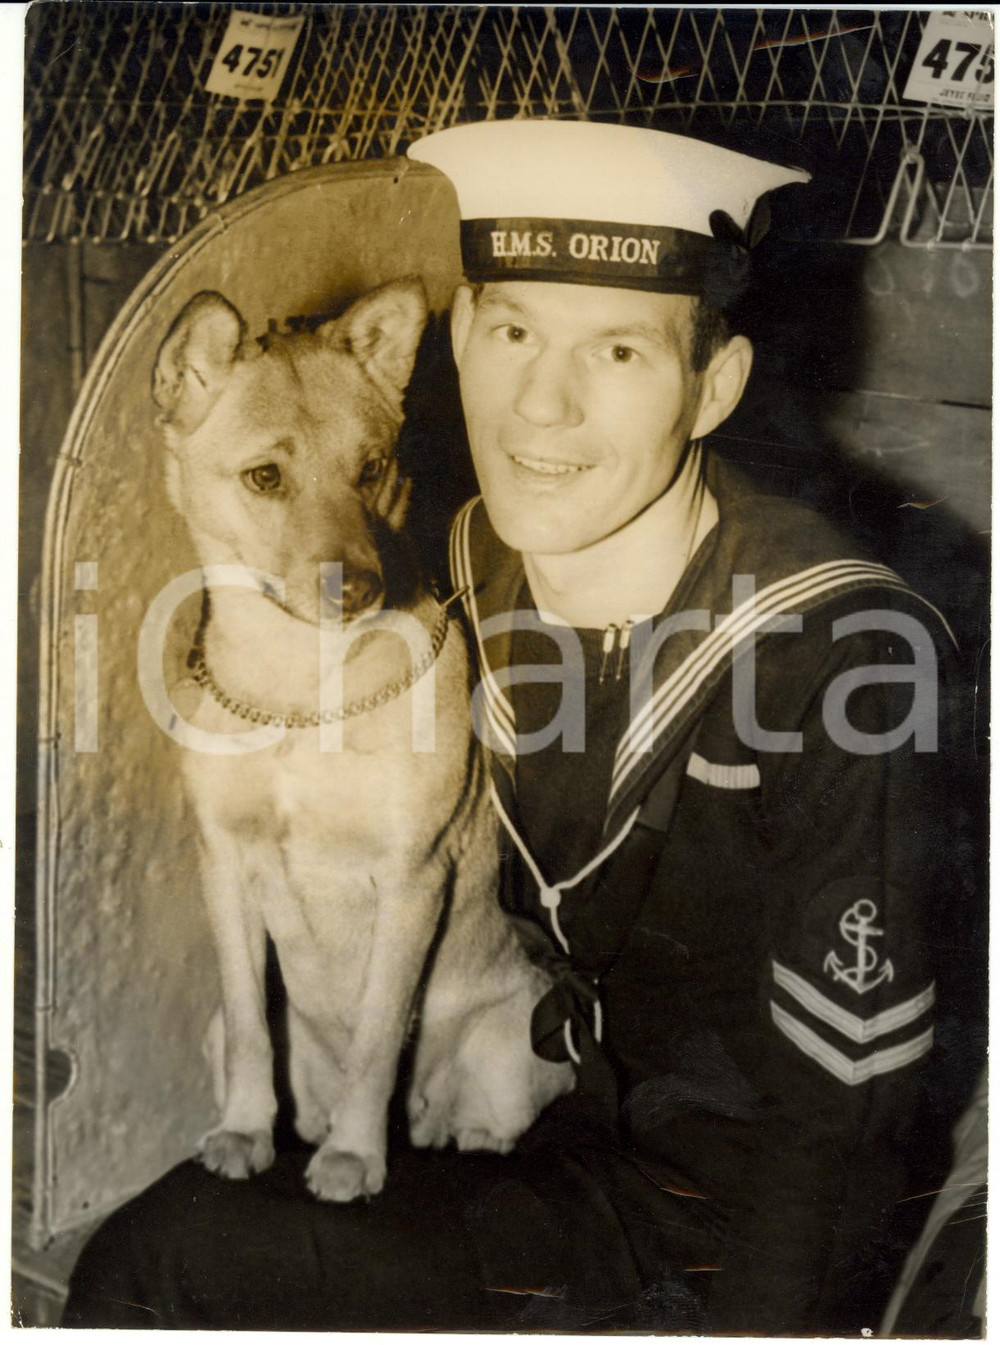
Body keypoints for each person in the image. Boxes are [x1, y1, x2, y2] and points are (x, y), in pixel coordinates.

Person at [62, 120, 975, 1334]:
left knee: (164, 1271)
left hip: (715, 1233)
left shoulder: (844, 657)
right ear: (455, 347)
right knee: (159, 1247)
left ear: (714, 386)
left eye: (617, 351)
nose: (541, 406)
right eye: (510, 334)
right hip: (544, 1123)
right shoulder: (472, 555)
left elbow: (836, 1126)